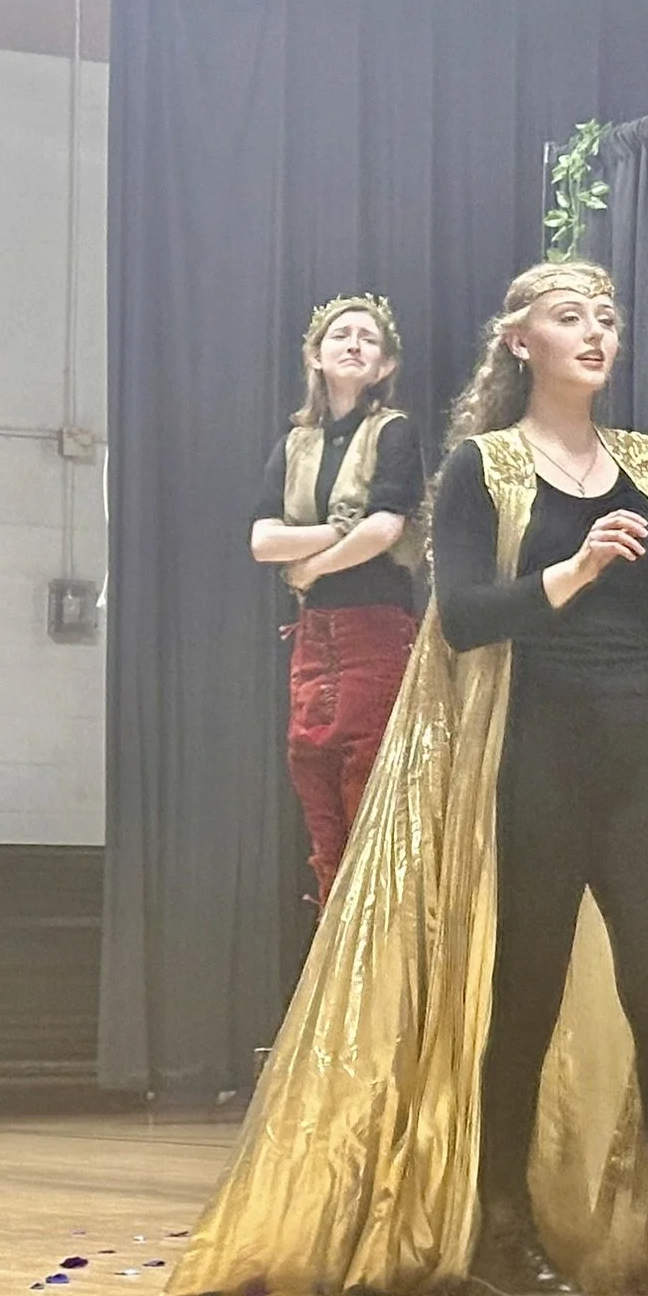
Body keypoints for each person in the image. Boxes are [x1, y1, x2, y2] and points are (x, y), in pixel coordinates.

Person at [166, 260, 648, 1296]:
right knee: (522, 995)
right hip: (536, 757)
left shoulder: (642, 460)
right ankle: (500, 1230)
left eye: (608, 319)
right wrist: (571, 572)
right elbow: (461, 619)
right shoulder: (478, 468)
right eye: (571, 317)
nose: (597, 332)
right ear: (519, 342)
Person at [249, 295, 428, 908]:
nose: (354, 344)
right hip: (315, 633)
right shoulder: (295, 443)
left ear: (383, 366)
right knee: (310, 765)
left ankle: (374, 922)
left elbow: (386, 529)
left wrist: (308, 571)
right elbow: (261, 540)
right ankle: (333, 926)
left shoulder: (394, 432)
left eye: (368, 339)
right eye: (341, 336)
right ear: (316, 357)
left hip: (375, 624)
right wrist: (336, 533)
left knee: (367, 773)